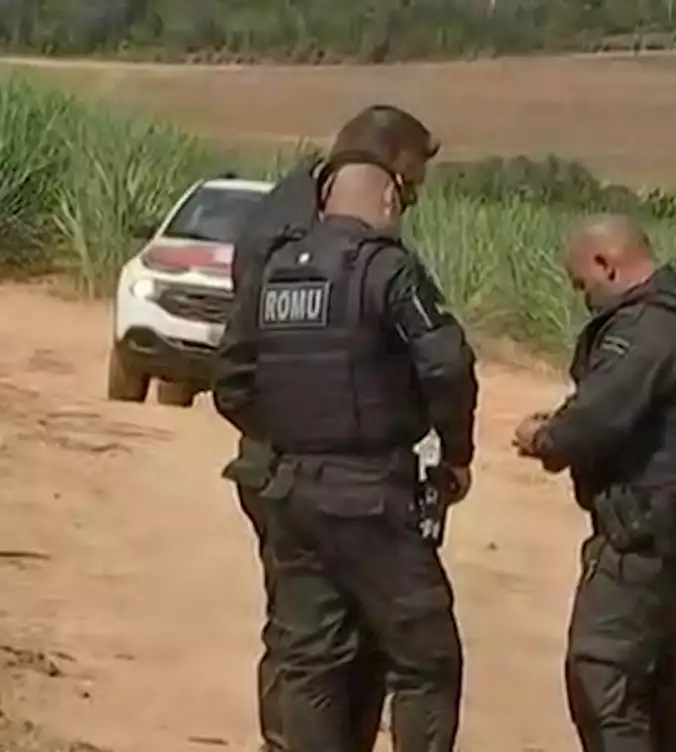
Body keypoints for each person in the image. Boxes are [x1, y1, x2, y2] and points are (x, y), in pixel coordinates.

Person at [213, 105, 478, 752]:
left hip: (291, 479)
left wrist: (297, 429)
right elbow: (447, 362)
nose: (411, 203)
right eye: (411, 188)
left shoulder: (279, 243)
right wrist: (452, 452)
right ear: (389, 182)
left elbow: (234, 374)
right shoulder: (379, 261)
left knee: (312, 653)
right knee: (423, 654)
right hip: (359, 486)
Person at [512, 214, 676, 752]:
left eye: (581, 283)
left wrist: (543, 438)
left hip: (648, 532)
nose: (583, 296)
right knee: (668, 684)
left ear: (605, 263)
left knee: (602, 673)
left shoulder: (648, 326)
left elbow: (597, 417)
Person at [217, 146, 387, 752]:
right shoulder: (319, 249)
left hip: (282, 466)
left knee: (305, 625)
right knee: (325, 631)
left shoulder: (276, 224)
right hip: (310, 474)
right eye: (407, 183)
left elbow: (234, 375)